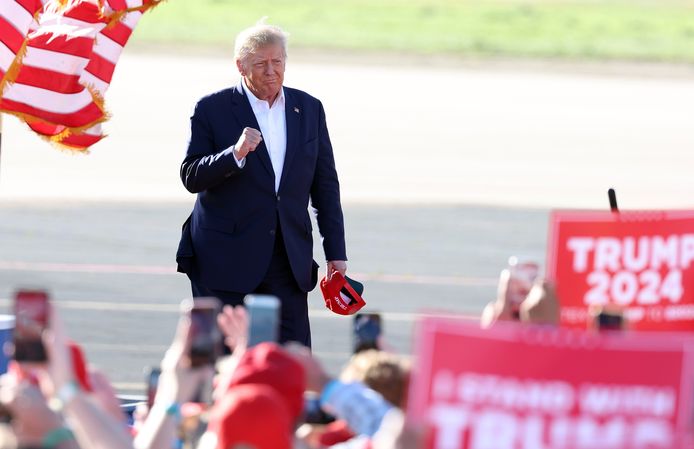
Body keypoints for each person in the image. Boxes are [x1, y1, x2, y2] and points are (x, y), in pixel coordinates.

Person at [176, 20, 348, 348]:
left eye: (277, 62)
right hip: (226, 261)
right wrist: (235, 154)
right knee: (226, 363)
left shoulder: (308, 109)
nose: (271, 71)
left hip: (287, 257)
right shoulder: (211, 109)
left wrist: (335, 253)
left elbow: (325, 186)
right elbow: (191, 175)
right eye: (260, 63)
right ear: (240, 66)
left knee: (293, 357)